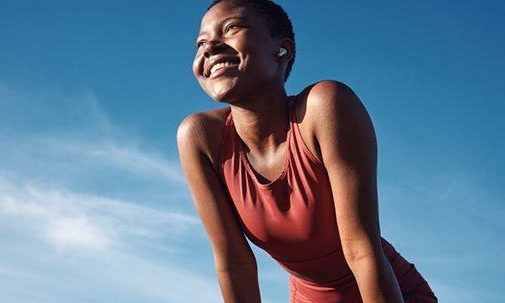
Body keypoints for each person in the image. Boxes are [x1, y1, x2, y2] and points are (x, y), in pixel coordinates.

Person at [177, 0, 438, 302]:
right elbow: (235, 264)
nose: (210, 47)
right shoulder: (200, 138)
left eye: (231, 28)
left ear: (282, 49)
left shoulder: (324, 106)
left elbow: (360, 248)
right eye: (200, 43)